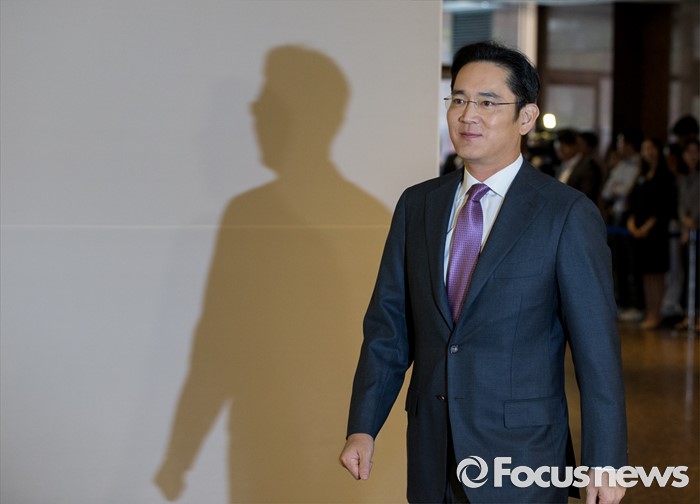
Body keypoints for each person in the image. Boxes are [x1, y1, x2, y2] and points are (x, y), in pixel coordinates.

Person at [339, 41, 627, 503]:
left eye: (488, 103)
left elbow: (597, 352)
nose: (468, 115)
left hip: (523, 457)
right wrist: (363, 427)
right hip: (433, 452)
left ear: (526, 118)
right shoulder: (418, 205)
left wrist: (606, 461)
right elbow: (388, 329)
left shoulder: (566, 213)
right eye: (458, 99)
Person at [626, 137, 678, 329]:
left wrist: (646, 227)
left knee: (656, 274)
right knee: (645, 274)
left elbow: (664, 207)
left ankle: (657, 312)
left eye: (651, 148)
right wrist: (632, 223)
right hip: (639, 231)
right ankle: (649, 311)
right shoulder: (641, 175)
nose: (648, 152)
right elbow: (633, 201)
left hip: (656, 232)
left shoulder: (665, 176)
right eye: (645, 148)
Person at [601, 128, 644, 322]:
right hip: (615, 216)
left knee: (631, 263)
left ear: (629, 145)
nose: (619, 147)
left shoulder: (639, 164)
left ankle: (636, 304)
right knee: (618, 262)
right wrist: (616, 189)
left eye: (621, 143)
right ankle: (622, 302)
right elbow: (607, 191)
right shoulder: (620, 165)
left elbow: (626, 190)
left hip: (629, 217)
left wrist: (617, 189)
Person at [675, 138, 700, 332]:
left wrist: (694, 222)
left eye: (695, 152)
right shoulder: (681, 178)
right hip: (686, 231)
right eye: (688, 152)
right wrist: (684, 221)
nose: (692, 156)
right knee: (688, 273)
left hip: (697, 228)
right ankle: (688, 313)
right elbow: (680, 203)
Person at [554, 127, 603, 205]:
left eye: (565, 145)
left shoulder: (588, 166)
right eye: (558, 147)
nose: (560, 149)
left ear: (576, 145)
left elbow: (586, 195)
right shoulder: (561, 165)